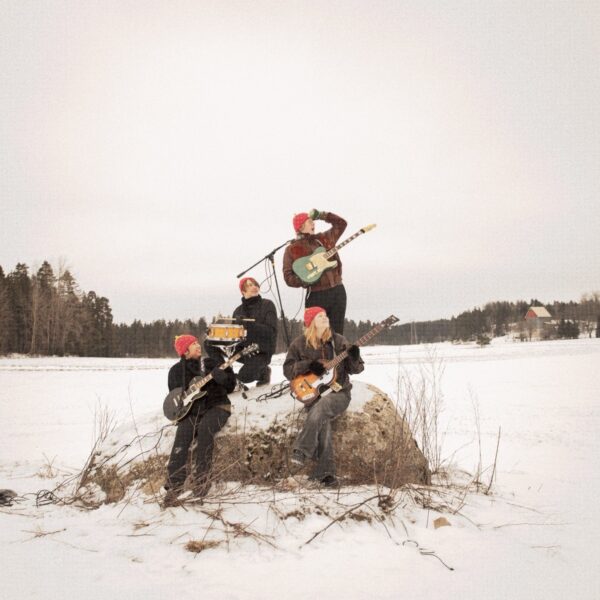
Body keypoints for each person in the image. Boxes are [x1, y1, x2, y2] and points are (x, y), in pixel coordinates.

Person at [283, 306, 364, 487]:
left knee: (322, 406)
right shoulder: (299, 344)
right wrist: (308, 365)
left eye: (325, 315)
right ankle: (326, 474)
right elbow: (287, 370)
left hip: (339, 393)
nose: (325, 318)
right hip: (314, 394)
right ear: (311, 322)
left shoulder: (338, 341)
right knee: (323, 421)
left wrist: (354, 357)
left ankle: (302, 449)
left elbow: (356, 369)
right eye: (320, 316)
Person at [163, 334, 236, 508]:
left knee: (205, 431)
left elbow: (231, 385)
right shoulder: (176, 371)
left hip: (217, 406)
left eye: (197, 342)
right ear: (185, 351)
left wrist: (222, 378)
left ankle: (202, 483)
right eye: (193, 344)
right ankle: (174, 486)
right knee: (182, 437)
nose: (198, 346)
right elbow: (176, 397)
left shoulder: (211, 363)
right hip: (192, 412)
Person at [282, 209, 348, 334]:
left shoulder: (324, 238)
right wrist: (305, 280)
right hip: (316, 295)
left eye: (313, 221)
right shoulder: (292, 249)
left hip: (337, 291)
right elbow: (288, 277)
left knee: (337, 334)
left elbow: (341, 224)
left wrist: (321, 215)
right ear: (300, 227)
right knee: (316, 335)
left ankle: (337, 348)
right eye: (309, 221)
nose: (313, 223)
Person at [232, 277, 278, 386]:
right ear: (243, 291)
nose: (254, 287)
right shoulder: (238, 311)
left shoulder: (267, 304)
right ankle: (226, 376)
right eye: (249, 285)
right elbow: (234, 335)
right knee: (210, 345)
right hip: (243, 351)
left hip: (262, 350)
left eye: (255, 284)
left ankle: (263, 372)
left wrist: (249, 325)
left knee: (245, 376)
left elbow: (271, 332)